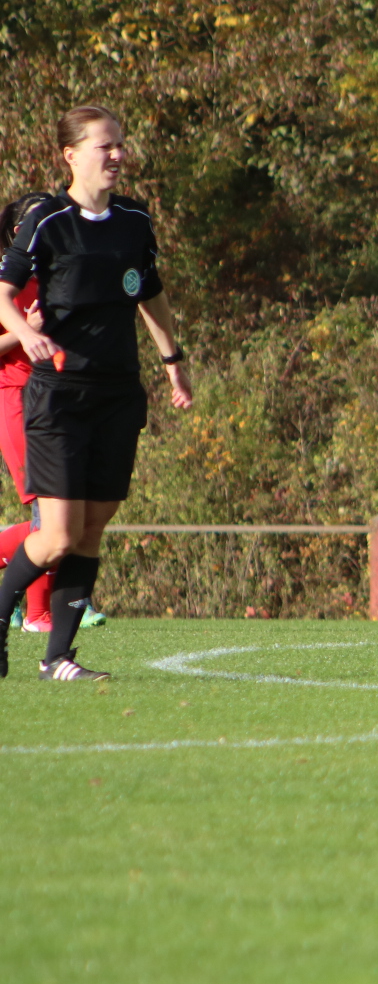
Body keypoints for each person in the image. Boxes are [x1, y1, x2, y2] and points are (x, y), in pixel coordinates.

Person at [0, 106, 193, 681]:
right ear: (71, 155)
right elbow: (3, 291)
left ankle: (58, 657)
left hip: (118, 394)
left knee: (89, 530)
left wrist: (172, 360)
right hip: (59, 395)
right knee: (55, 535)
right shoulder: (47, 219)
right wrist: (26, 330)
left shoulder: (135, 219)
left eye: (119, 145)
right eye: (104, 146)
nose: (116, 155)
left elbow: (149, 294)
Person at [0, 194, 55, 634]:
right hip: (14, 398)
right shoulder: (7, 283)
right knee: (44, 510)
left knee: (65, 510)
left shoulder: (57, 276)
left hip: (54, 398)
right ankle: (38, 616)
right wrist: (26, 331)